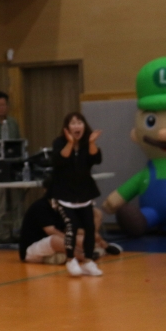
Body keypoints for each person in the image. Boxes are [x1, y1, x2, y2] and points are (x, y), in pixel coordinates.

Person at [47, 112, 104, 277]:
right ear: (67, 128)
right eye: (73, 123)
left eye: (79, 122)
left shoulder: (87, 143)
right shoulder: (59, 142)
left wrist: (92, 142)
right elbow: (59, 160)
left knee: (90, 227)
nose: (77, 126)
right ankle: (70, 259)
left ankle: (88, 261)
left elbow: (96, 159)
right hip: (64, 194)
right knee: (71, 226)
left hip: (84, 193)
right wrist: (70, 143)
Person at [20, 196, 123, 265]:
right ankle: (83, 256)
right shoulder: (40, 206)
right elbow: (51, 231)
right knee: (56, 239)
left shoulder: (61, 206)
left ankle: (103, 246)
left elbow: (68, 228)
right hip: (32, 249)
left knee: (83, 239)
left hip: (53, 245)